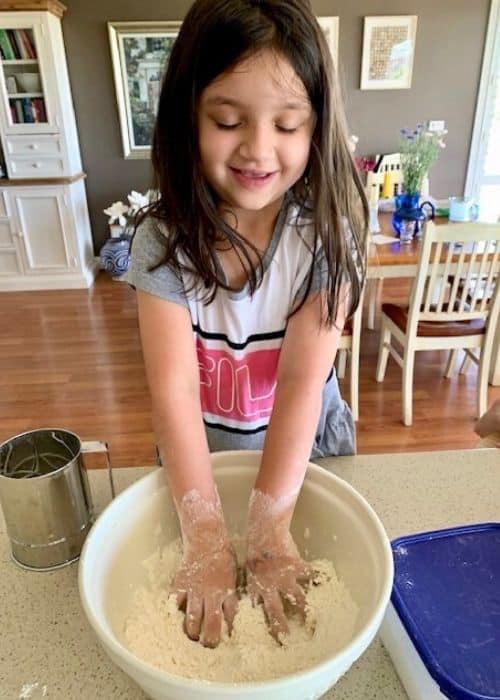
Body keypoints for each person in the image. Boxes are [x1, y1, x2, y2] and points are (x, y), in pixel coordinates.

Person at [123, 0, 368, 649]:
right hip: (203, 457)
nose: (259, 149)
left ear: (316, 127)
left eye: (288, 124)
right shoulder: (161, 241)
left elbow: (299, 389)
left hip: (308, 456)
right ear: (188, 117)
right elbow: (173, 391)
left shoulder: (327, 239)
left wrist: (267, 532)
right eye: (228, 121)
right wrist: (205, 536)